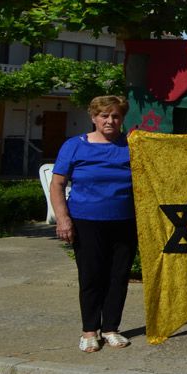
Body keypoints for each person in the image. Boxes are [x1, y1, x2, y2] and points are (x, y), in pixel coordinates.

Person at [49, 95, 136, 352]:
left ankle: (110, 328)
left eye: (116, 116)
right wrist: (63, 219)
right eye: (104, 116)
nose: (110, 120)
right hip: (86, 221)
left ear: (122, 119)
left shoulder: (132, 145)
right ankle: (89, 330)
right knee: (91, 276)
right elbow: (57, 184)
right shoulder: (74, 146)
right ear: (93, 117)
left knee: (118, 277)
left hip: (125, 221)